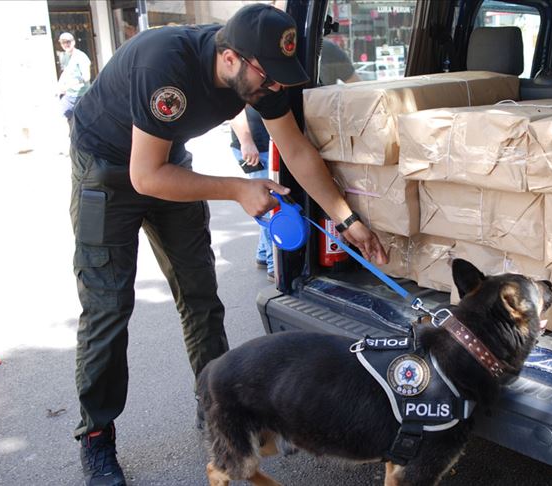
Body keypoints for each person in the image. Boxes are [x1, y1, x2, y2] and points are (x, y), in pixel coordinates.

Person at [67, 5, 388, 485]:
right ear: (231, 57)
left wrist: (347, 219)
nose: (274, 89)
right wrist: (239, 188)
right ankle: (97, 437)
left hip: (168, 162)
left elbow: (296, 150)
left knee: (200, 299)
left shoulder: (262, 75)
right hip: (109, 172)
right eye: (268, 77)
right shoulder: (166, 66)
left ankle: (217, 414)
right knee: (108, 309)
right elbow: (144, 175)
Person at [229, 105, 275, 278]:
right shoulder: (246, 79)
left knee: (269, 204)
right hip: (256, 147)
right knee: (268, 205)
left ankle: (263, 255)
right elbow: (234, 107)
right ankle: (274, 265)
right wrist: (246, 141)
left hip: (260, 144)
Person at [55, 32, 91, 130]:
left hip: (81, 95)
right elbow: (65, 72)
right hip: (69, 96)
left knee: (83, 123)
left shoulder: (81, 57)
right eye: (63, 42)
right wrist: (59, 86)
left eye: (68, 42)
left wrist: (70, 85)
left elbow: (86, 77)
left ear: (74, 42)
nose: (66, 44)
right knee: (66, 117)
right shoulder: (65, 56)